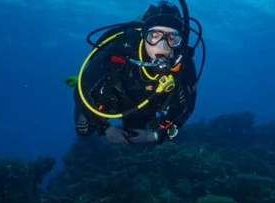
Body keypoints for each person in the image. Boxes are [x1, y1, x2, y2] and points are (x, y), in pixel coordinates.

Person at [69, 0, 204, 145]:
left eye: (172, 38)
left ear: (179, 42)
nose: (162, 45)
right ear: (143, 35)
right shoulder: (119, 50)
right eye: (155, 36)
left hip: (148, 108)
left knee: (138, 132)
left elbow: (186, 107)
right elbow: (83, 89)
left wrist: (155, 136)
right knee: (84, 130)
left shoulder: (182, 63)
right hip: (114, 101)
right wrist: (105, 129)